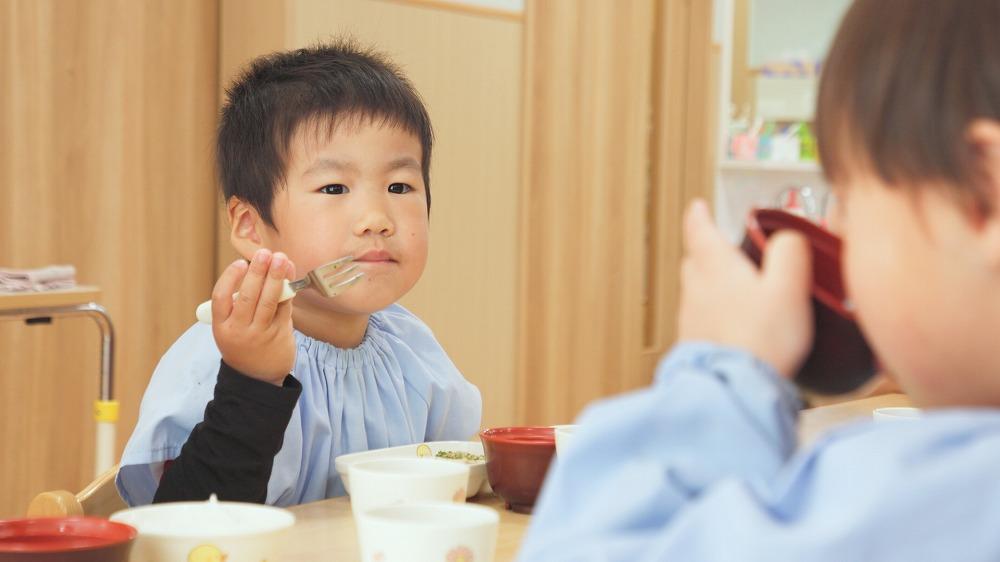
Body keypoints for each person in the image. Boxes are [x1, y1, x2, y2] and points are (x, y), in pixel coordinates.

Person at [518, 0, 1000, 559]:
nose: (835, 228)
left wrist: (723, 371)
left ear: (981, 196)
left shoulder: (926, 501)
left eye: (847, 196)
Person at [116, 40, 481, 507]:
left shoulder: (412, 350)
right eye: (334, 187)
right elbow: (188, 521)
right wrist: (252, 381)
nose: (377, 218)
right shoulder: (217, 357)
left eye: (399, 185)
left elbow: (453, 483)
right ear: (252, 226)